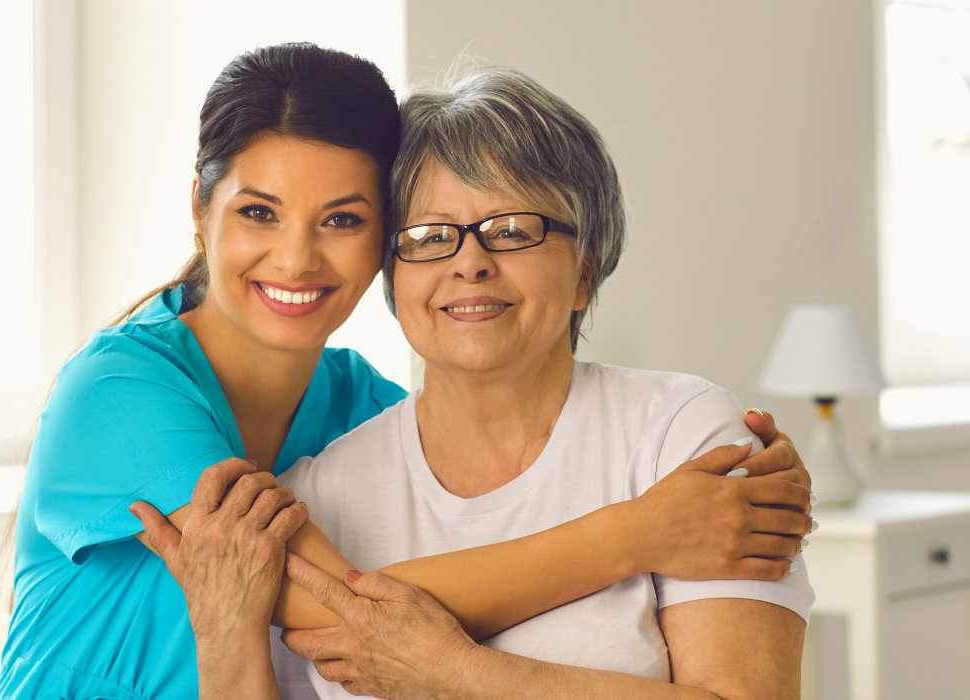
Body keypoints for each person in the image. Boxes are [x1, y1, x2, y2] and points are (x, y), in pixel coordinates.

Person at [0, 44, 810, 700]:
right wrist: (644, 531)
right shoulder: (122, 392)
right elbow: (347, 617)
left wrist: (756, 484)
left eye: (342, 220)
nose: (296, 255)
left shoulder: (354, 410)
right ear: (200, 213)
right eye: (258, 212)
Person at [259, 67, 813, 698]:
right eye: (429, 236)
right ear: (393, 280)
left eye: (513, 231)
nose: (469, 263)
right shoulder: (313, 498)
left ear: (585, 273)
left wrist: (462, 674)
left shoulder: (684, 439)